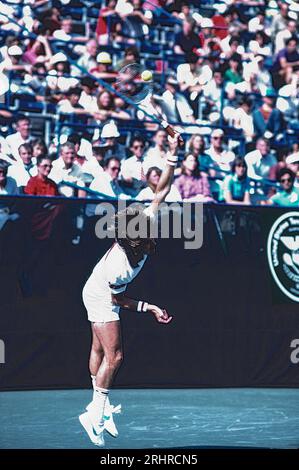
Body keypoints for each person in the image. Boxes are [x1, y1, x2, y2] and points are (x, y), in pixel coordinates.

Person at [79, 133, 180, 447]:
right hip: (101, 295)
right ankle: (94, 412)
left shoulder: (140, 228)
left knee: (98, 350)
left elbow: (161, 189)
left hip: (96, 286)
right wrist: (149, 307)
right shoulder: (120, 266)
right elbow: (117, 299)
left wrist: (174, 153)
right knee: (115, 356)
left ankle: (101, 405)